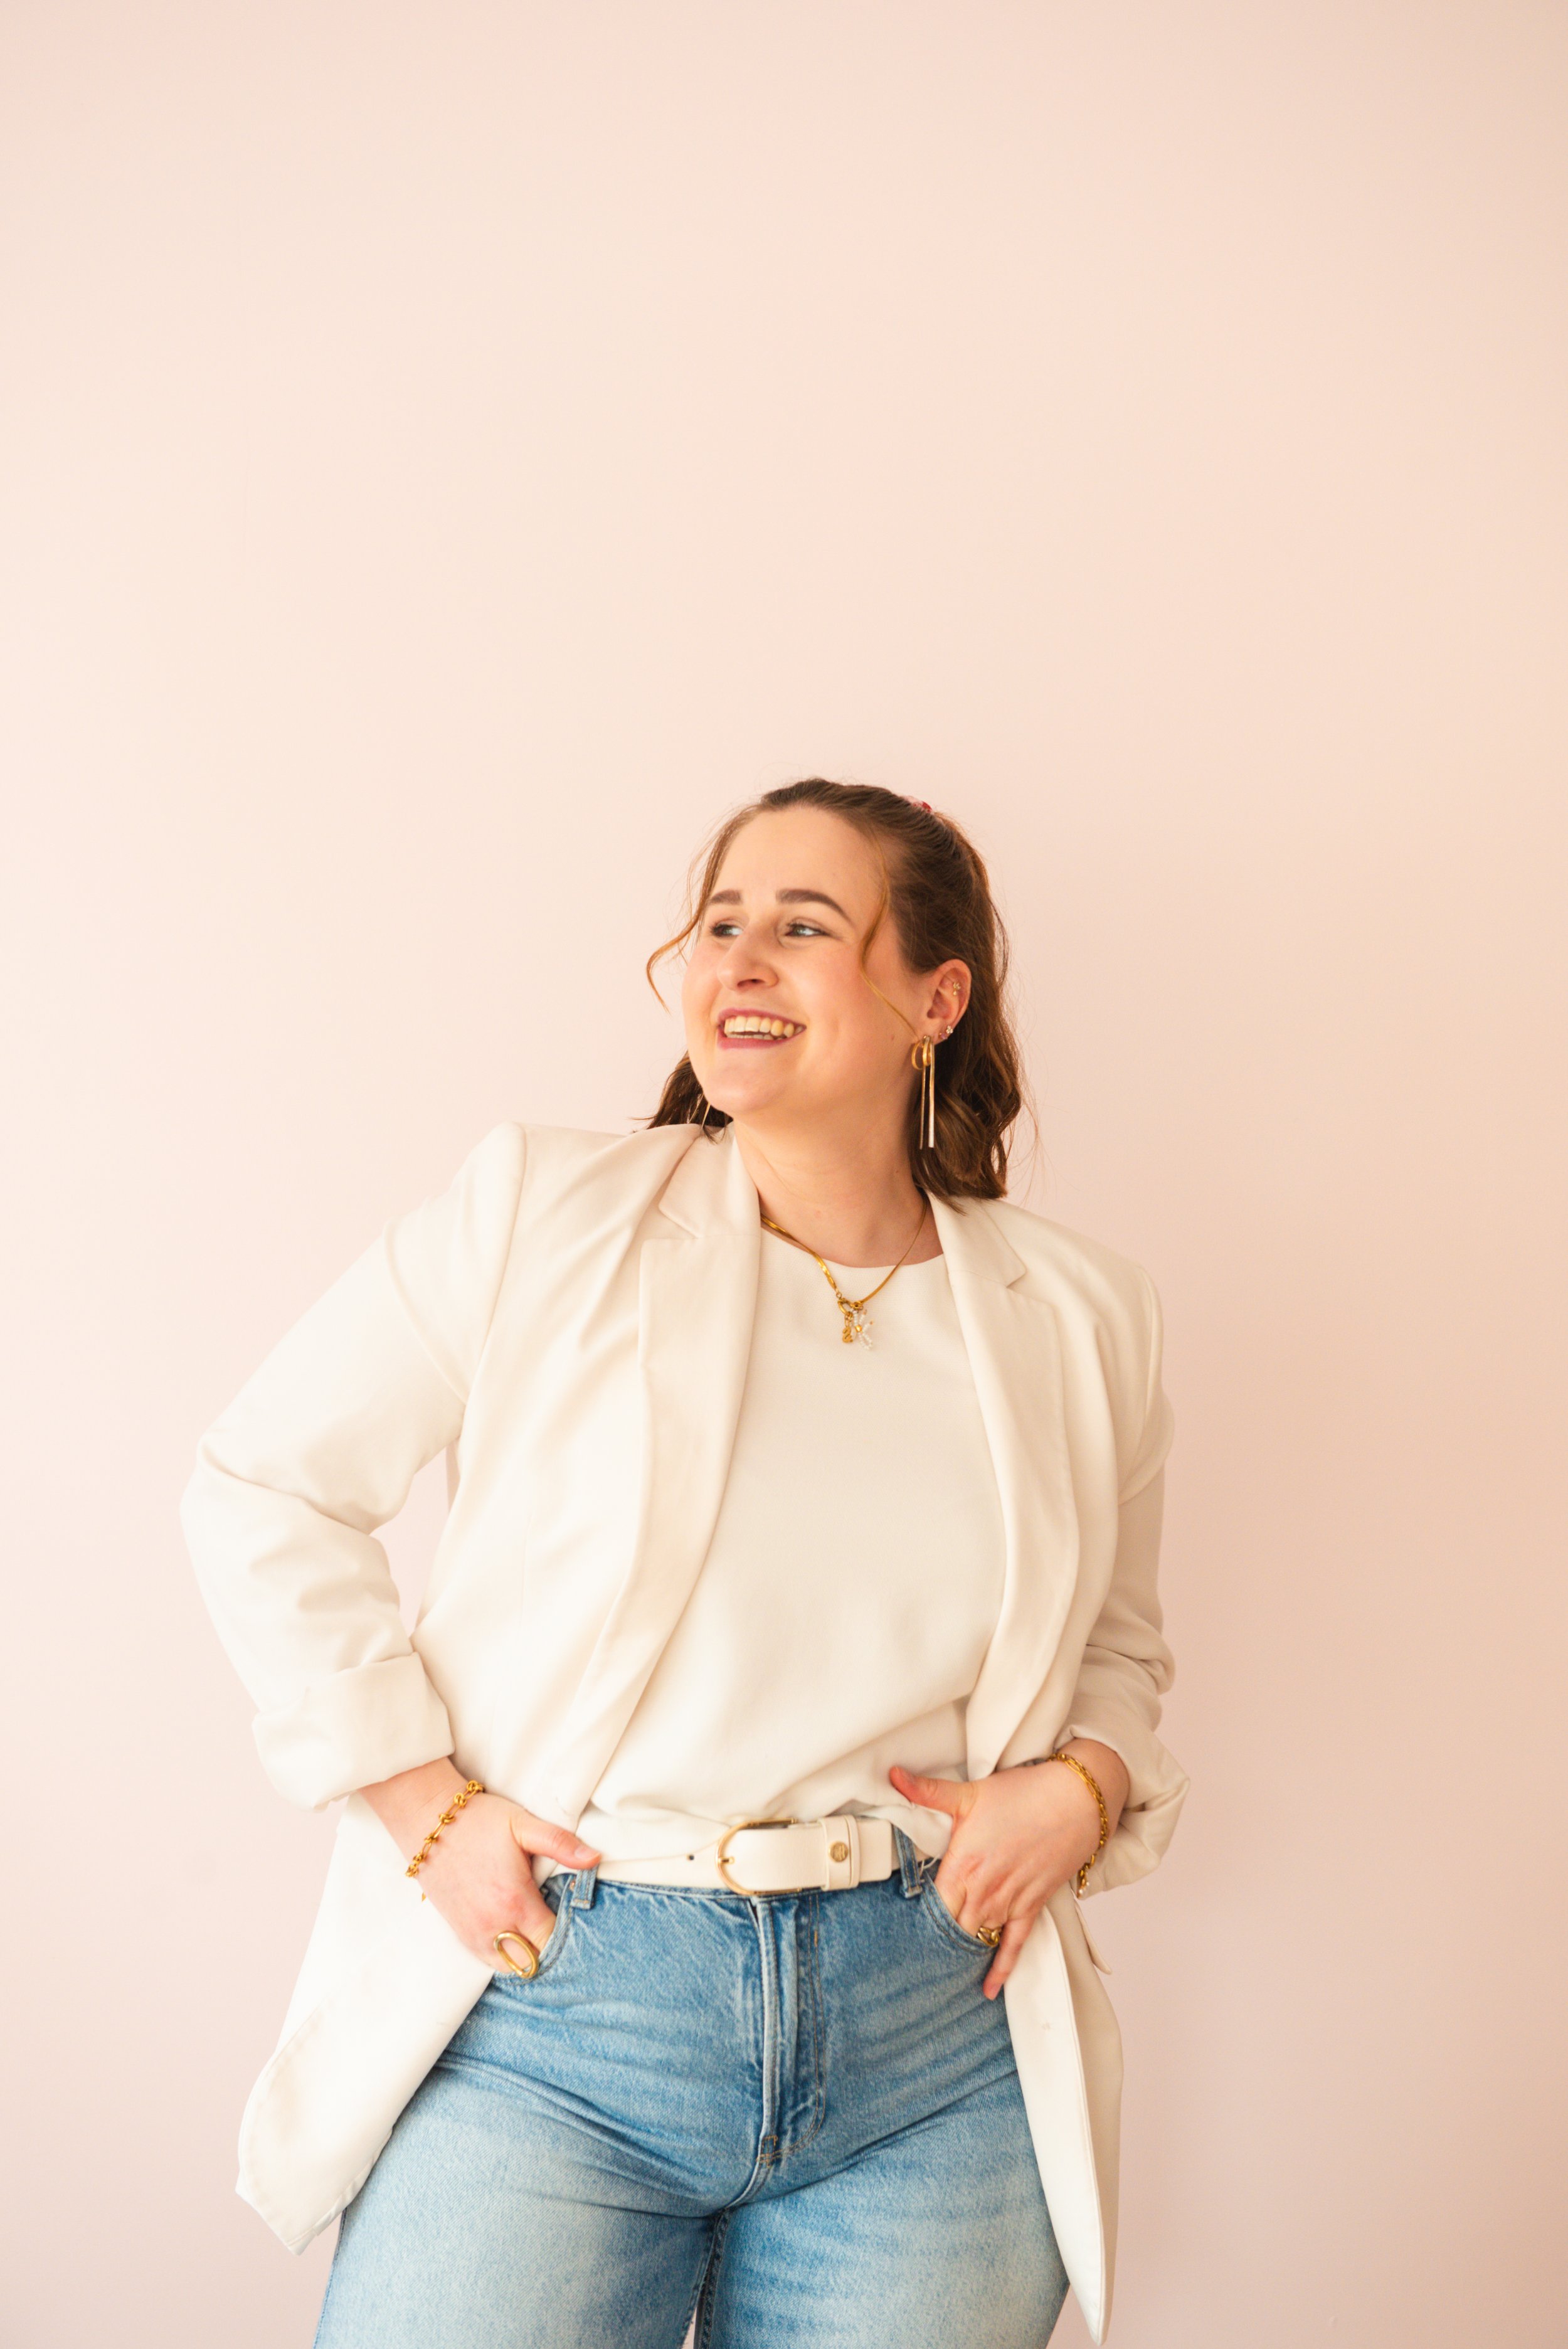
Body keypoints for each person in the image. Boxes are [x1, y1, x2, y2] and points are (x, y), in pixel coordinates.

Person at [181, 777, 1186, 2349]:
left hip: (931, 2042)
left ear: (936, 996)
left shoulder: (1081, 1314)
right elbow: (265, 1484)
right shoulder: (543, 1211)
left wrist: (1087, 1784)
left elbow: (1114, 1647)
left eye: (801, 926)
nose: (739, 959)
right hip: (560, 2013)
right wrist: (417, 1803)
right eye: (718, 923)